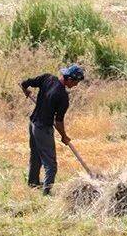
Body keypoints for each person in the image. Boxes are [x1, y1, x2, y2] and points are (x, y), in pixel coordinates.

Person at [20, 64, 84, 195]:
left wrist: (25, 91)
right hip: (43, 128)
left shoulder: (47, 78)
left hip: (32, 124)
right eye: (76, 82)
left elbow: (24, 83)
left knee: (36, 156)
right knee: (51, 164)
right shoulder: (63, 97)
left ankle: (33, 183)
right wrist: (64, 136)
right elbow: (58, 122)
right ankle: (47, 193)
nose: (76, 85)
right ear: (70, 79)